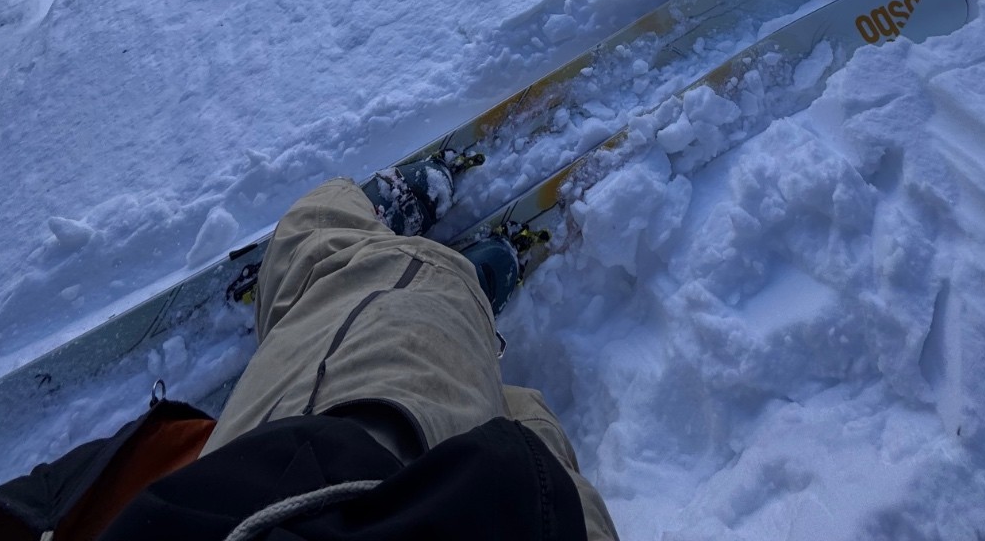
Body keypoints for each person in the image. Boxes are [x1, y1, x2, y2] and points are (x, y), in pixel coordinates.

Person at [101, 162, 618, 539]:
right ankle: (457, 299)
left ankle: (413, 277)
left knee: (322, 238)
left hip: (292, 489)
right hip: (519, 516)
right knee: (527, 429)